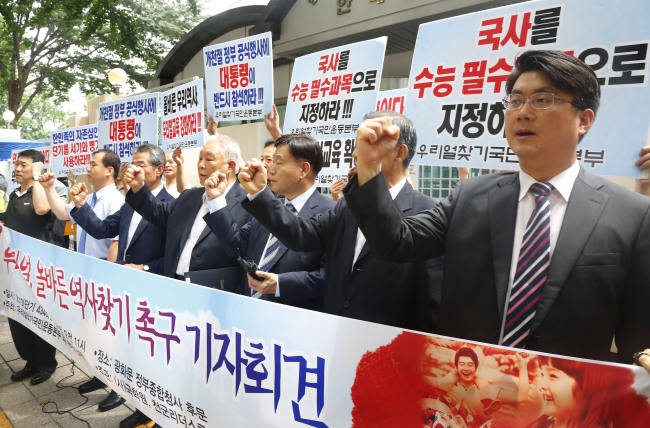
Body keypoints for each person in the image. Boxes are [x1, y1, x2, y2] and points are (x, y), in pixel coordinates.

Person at [343, 50, 650, 363]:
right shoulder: (470, 196)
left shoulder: (632, 214)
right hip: (465, 392)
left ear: (583, 120)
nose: (523, 112)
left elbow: (639, 335)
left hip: (566, 401)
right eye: (515, 101)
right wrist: (369, 167)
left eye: (542, 100)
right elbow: (395, 243)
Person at [239, 111, 443, 332]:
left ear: (399, 153)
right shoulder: (347, 206)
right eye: (358, 146)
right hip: (335, 340)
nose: (356, 153)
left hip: (388, 349)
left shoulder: (426, 212)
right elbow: (302, 234)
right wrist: (260, 193)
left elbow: (431, 303)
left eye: (370, 145)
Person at [204, 134, 335, 310]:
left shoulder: (330, 212)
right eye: (269, 161)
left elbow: (329, 277)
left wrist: (281, 284)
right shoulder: (268, 208)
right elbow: (236, 245)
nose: (270, 169)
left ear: (303, 170)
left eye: (278, 163)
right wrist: (216, 199)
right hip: (248, 313)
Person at [40, 149, 126, 412]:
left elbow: (115, 241)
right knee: (95, 333)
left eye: (93, 164)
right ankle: (101, 376)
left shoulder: (115, 200)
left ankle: (119, 388)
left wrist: (108, 278)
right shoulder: (88, 197)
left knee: (112, 337)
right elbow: (63, 214)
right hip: (87, 276)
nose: (87, 168)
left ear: (109, 170)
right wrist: (48, 188)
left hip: (104, 277)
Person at [123, 135, 251, 280]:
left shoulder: (247, 203)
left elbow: (241, 249)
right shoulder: (190, 196)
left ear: (230, 166)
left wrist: (216, 200)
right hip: (174, 282)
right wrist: (139, 188)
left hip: (215, 290)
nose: (201, 165)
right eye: (200, 158)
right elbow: (157, 213)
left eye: (209, 159)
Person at [68, 143, 173, 275]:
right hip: (122, 279)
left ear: (159, 169)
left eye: (140, 165)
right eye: (132, 165)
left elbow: (174, 256)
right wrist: (81, 204)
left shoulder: (169, 205)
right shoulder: (130, 204)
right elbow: (103, 229)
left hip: (150, 281)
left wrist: (145, 267)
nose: (133, 170)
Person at [1, 149, 58, 386]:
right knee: (18, 314)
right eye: (17, 164)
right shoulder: (14, 193)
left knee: (38, 314)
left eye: (24, 164)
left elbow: (42, 210)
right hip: (14, 265)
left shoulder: (41, 190)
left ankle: (46, 362)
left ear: (37, 167)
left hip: (37, 267)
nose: (17, 168)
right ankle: (30, 360)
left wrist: (37, 179)